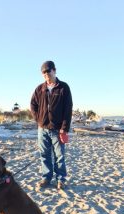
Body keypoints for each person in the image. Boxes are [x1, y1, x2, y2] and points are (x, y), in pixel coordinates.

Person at [30, 60, 73, 190]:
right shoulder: (40, 89)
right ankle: (46, 178)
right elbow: (33, 105)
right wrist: (39, 120)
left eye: (48, 71)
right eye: (43, 73)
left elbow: (68, 109)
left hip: (57, 129)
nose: (46, 74)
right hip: (42, 129)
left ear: (54, 70)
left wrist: (64, 129)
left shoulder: (63, 87)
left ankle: (61, 179)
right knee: (44, 155)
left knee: (59, 156)